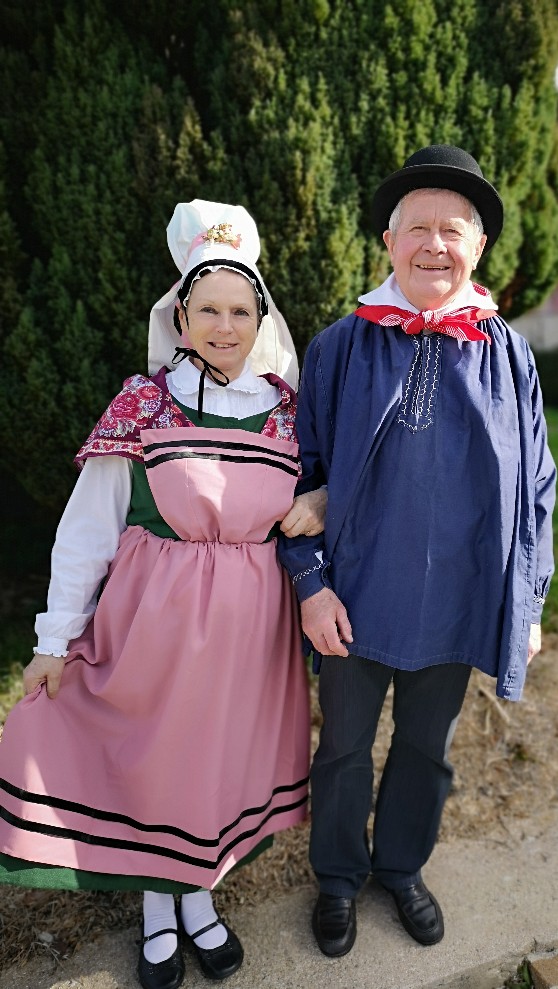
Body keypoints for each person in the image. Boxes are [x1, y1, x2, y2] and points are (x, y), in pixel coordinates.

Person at [0, 200, 325, 989]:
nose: (224, 324)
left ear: (260, 318)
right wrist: (53, 638)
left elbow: (330, 491)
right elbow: (87, 529)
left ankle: (201, 900)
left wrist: (328, 503)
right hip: (155, 627)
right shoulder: (143, 405)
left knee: (214, 766)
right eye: (208, 308)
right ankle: (158, 910)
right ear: (180, 316)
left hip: (252, 634)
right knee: (158, 764)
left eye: (240, 309)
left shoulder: (288, 412)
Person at [278, 145, 556, 958]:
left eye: (455, 229)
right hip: (356, 599)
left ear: (479, 249)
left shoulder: (508, 353)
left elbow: (537, 485)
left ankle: (400, 866)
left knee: (428, 751)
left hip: (464, 598)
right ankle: (336, 876)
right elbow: (300, 474)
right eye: (419, 228)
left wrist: (526, 600)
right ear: (390, 243)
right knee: (342, 750)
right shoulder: (339, 345)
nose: (436, 244)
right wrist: (310, 585)